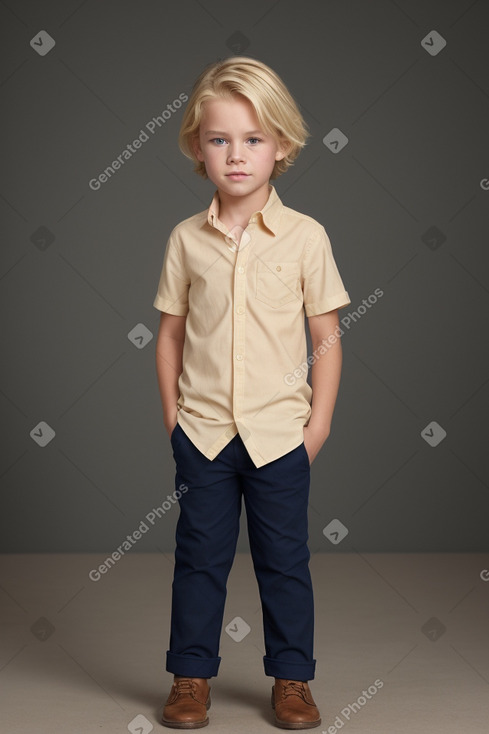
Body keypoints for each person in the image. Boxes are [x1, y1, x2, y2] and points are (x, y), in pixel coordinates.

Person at [153, 56, 351, 730]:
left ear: (283, 147)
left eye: (253, 139)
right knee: (198, 560)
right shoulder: (185, 239)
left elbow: (325, 336)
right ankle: (190, 679)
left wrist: (316, 426)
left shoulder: (305, 238)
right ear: (196, 147)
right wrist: (174, 420)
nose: (236, 156)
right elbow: (170, 338)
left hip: (278, 437)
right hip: (204, 434)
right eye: (219, 139)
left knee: (284, 562)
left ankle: (292, 680)